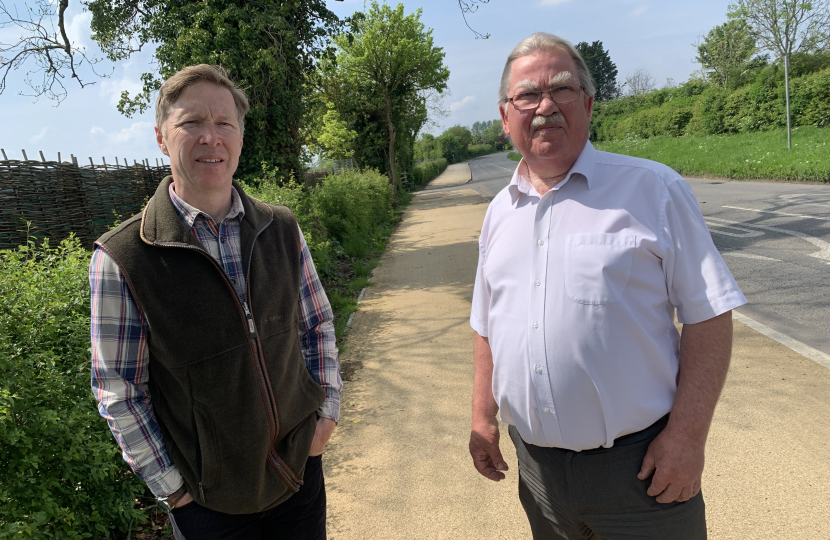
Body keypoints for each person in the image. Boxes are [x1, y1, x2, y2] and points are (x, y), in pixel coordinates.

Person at [468, 33, 746, 540]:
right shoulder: (498, 214)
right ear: (506, 116)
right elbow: (486, 324)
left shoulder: (653, 189)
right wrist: (482, 418)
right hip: (538, 475)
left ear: (589, 103)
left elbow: (710, 313)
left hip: (640, 474)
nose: (545, 105)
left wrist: (687, 437)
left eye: (562, 89)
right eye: (527, 95)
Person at [89, 64, 342, 540]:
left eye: (224, 123)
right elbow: (121, 392)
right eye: (191, 123)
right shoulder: (123, 258)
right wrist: (175, 491)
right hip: (209, 508)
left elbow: (316, 324)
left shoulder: (281, 227)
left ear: (240, 137)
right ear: (162, 138)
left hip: (298, 479)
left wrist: (325, 416)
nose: (211, 137)